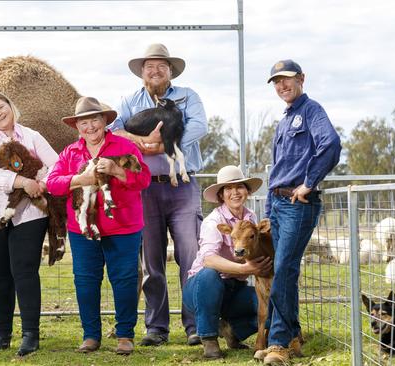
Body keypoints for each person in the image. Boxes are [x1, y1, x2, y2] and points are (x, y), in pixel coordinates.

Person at [109, 43, 208, 346]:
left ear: (170, 71)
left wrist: (161, 145)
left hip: (182, 184)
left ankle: (196, 324)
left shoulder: (188, 96)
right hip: (144, 187)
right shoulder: (129, 100)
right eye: (149, 66)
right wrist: (142, 141)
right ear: (142, 72)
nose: (155, 70)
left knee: (191, 254)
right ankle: (156, 327)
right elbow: (113, 131)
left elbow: (199, 127)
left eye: (161, 66)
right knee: (151, 260)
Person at [47, 96, 151, 355]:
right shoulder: (70, 153)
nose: (89, 126)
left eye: (94, 119)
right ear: (76, 126)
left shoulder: (124, 147)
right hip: (82, 229)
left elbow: (144, 179)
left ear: (105, 121)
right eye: (83, 122)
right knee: (85, 280)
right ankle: (90, 335)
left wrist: (116, 170)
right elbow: (52, 183)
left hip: (123, 226)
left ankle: (125, 334)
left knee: (125, 279)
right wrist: (79, 178)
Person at [259, 60, 341, 364]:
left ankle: (277, 344)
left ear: (301, 79)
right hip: (279, 204)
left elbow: (330, 144)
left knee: (283, 270)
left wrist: (309, 182)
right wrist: (268, 209)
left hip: (298, 205)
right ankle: (292, 336)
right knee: (286, 273)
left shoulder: (312, 111)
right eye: (276, 82)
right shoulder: (285, 119)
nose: (282, 86)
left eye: (287, 80)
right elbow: (278, 168)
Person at [0, 91, 58, 356]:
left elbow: (56, 164)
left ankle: (30, 333)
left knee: (25, 271)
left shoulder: (32, 136)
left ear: (11, 106)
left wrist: (41, 184)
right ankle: (2, 334)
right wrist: (22, 182)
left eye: (2, 107)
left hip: (29, 214)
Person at [182, 165, 272, 359]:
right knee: (209, 274)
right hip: (201, 288)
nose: (235, 193)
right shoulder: (214, 221)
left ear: (247, 191)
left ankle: (233, 331)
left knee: (266, 304)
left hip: (233, 289)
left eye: (239, 187)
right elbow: (208, 259)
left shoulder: (251, 218)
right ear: (221, 195)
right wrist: (244, 268)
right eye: (228, 189)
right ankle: (209, 339)